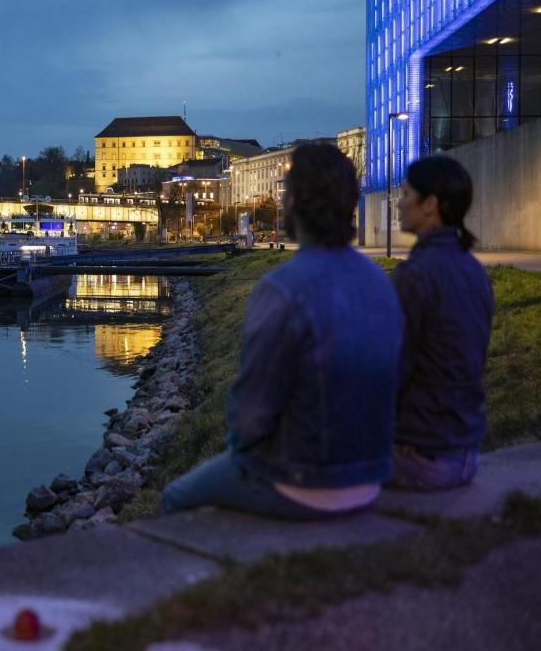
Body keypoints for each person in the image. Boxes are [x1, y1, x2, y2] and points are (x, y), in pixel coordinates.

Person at [162, 144, 402, 520]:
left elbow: (250, 414)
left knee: (175, 496)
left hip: (303, 480)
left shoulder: (282, 289)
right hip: (369, 475)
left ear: (295, 203)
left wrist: (243, 456)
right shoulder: (381, 282)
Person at [390, 156, 493, 491]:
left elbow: (393, 368)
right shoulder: (473, 270)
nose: (400, 204)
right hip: (465, 449)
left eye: (406, 195)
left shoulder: (415, 275)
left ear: (430, 205)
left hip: (422, 453)